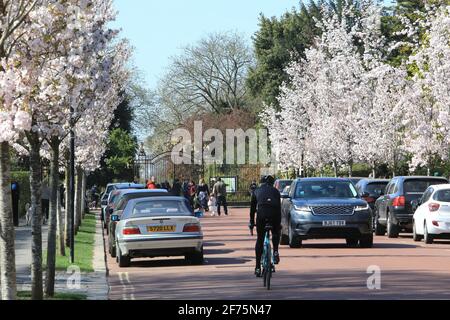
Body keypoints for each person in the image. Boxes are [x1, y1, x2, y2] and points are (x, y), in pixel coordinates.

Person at [249, 175, 281, 278]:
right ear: (272, 183)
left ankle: (258, 267)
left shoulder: (256, 191)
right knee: (275, 232)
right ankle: (275, 251)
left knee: (260, 239)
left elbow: (252, 210)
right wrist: (278, 224)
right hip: (274, 214)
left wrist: (251, 222)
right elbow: (279, 209)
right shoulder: (276, 191)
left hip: (261, 215)